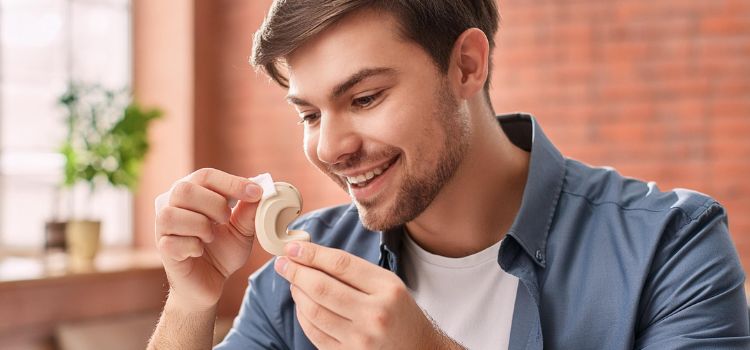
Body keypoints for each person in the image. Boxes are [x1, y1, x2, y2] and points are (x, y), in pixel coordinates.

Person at [147, 1, 750, 349]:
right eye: (309, 113)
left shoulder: (672, 248)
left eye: (365, 98)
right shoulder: (296, 279)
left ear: (466, 65)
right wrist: (191, 304)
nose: (329, 148)